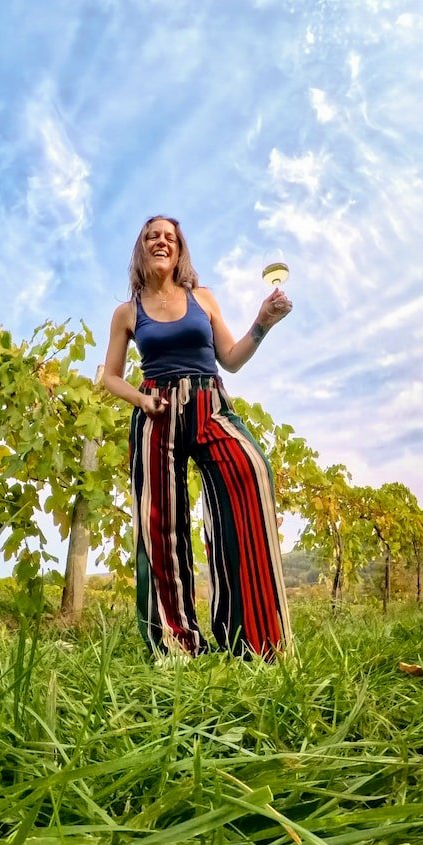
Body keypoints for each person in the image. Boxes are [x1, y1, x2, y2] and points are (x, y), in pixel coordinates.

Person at [102, 215, 293, 661]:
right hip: (156, 409)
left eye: (169, 236)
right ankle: (177, 643)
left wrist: (262, 323)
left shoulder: (202, 299)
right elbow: (109, 377)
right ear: (141, 248)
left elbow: (231, 359)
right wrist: (141, 400)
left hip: (209, 402)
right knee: (160, 524)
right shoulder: (127, 312)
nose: (161, 241)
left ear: (180, 248)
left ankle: (255, 638)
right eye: (152, 236)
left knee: (251, 472)